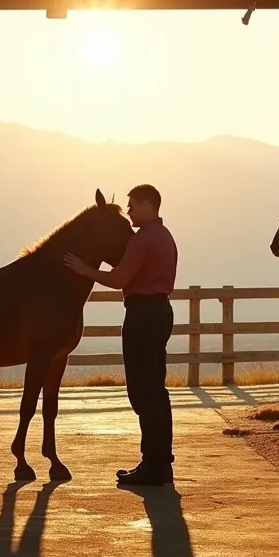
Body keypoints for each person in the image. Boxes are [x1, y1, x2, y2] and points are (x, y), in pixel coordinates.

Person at [63, 184, 178, 486]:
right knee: (156, 389)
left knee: (142, 390)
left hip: (142, 314)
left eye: (133, 206)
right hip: (161, 311)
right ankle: (161, 462)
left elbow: (118, 278)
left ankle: (152, 465)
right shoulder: (165, 237)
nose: (129, 211)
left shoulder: (142, 240)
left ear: (148, 206)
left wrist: (85, 269)